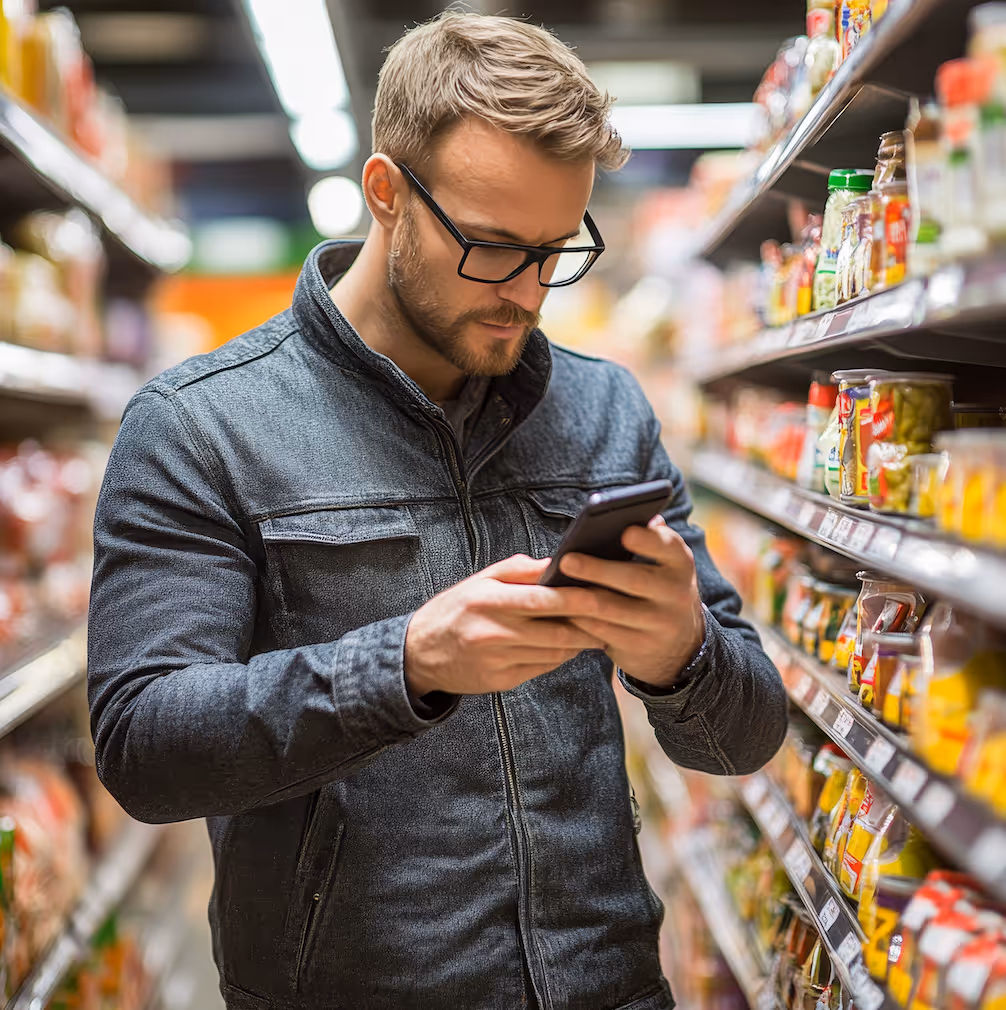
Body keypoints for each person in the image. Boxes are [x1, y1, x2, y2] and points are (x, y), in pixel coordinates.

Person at [88, 11, 787, 1010]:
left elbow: (741, 739)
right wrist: (405, 663)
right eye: (493, 247)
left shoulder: (604, 410)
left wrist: (681, 652)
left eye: (556, 249)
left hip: (610, 982)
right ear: (386, 193)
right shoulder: (201, 427)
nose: (528, 292)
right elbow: (145, 746)